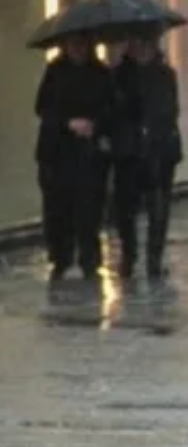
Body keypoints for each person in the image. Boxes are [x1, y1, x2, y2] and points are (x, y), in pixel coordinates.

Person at [34, 33, 115, 280]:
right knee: (58, 207)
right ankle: (61, 256)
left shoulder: (101, 73)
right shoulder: (55, 71)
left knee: (89, 207)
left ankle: (89, 258)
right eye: (73, 45)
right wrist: (68, 122)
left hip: (89, 153)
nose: (77, 49)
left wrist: (95, 125)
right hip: (57, 152)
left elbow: (111, 109)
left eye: (82, 44)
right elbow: (42, 107)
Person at [109, 31, 183, 280]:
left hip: (160, 151)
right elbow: (113, 112)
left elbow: (171, 110)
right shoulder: (118, 75)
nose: (141, 48)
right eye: (136, 43)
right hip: (128, 151)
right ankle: (129, 255)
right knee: (125, 208)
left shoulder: (165, 75)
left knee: (159, 207)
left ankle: (154, 259)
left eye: (146, 43)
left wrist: (154, 126)